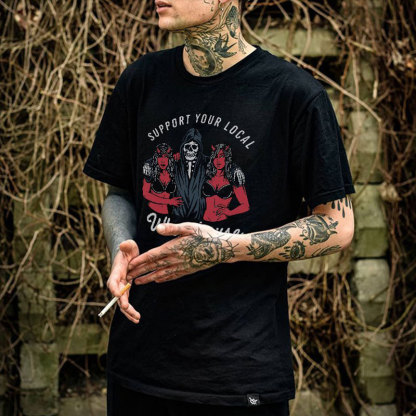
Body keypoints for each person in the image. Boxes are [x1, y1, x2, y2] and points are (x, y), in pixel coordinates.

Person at [83, 0, 356, 414]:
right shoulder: (141, 80)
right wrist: (120, 244)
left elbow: (338, 225)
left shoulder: (293, 94)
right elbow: (120, 192)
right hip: (138, 363)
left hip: (239, 373)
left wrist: (224, 249)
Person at [202, 143, 249, 222]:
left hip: (222, 222)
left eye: (221, 156)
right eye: (215, 157)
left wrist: (230, 212)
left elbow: (245, 206)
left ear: (227, 158)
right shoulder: (207, 176)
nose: (218, 160)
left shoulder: (233, 178)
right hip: (205, 220)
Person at [142, 143, 182, 215]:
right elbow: (145, 194)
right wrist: (169, 201)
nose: (163, 160)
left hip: (170, 213)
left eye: (166, 157)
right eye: (160, 157)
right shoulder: (150, 169)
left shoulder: (173, 170)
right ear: (156, 158)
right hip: (152, 211)